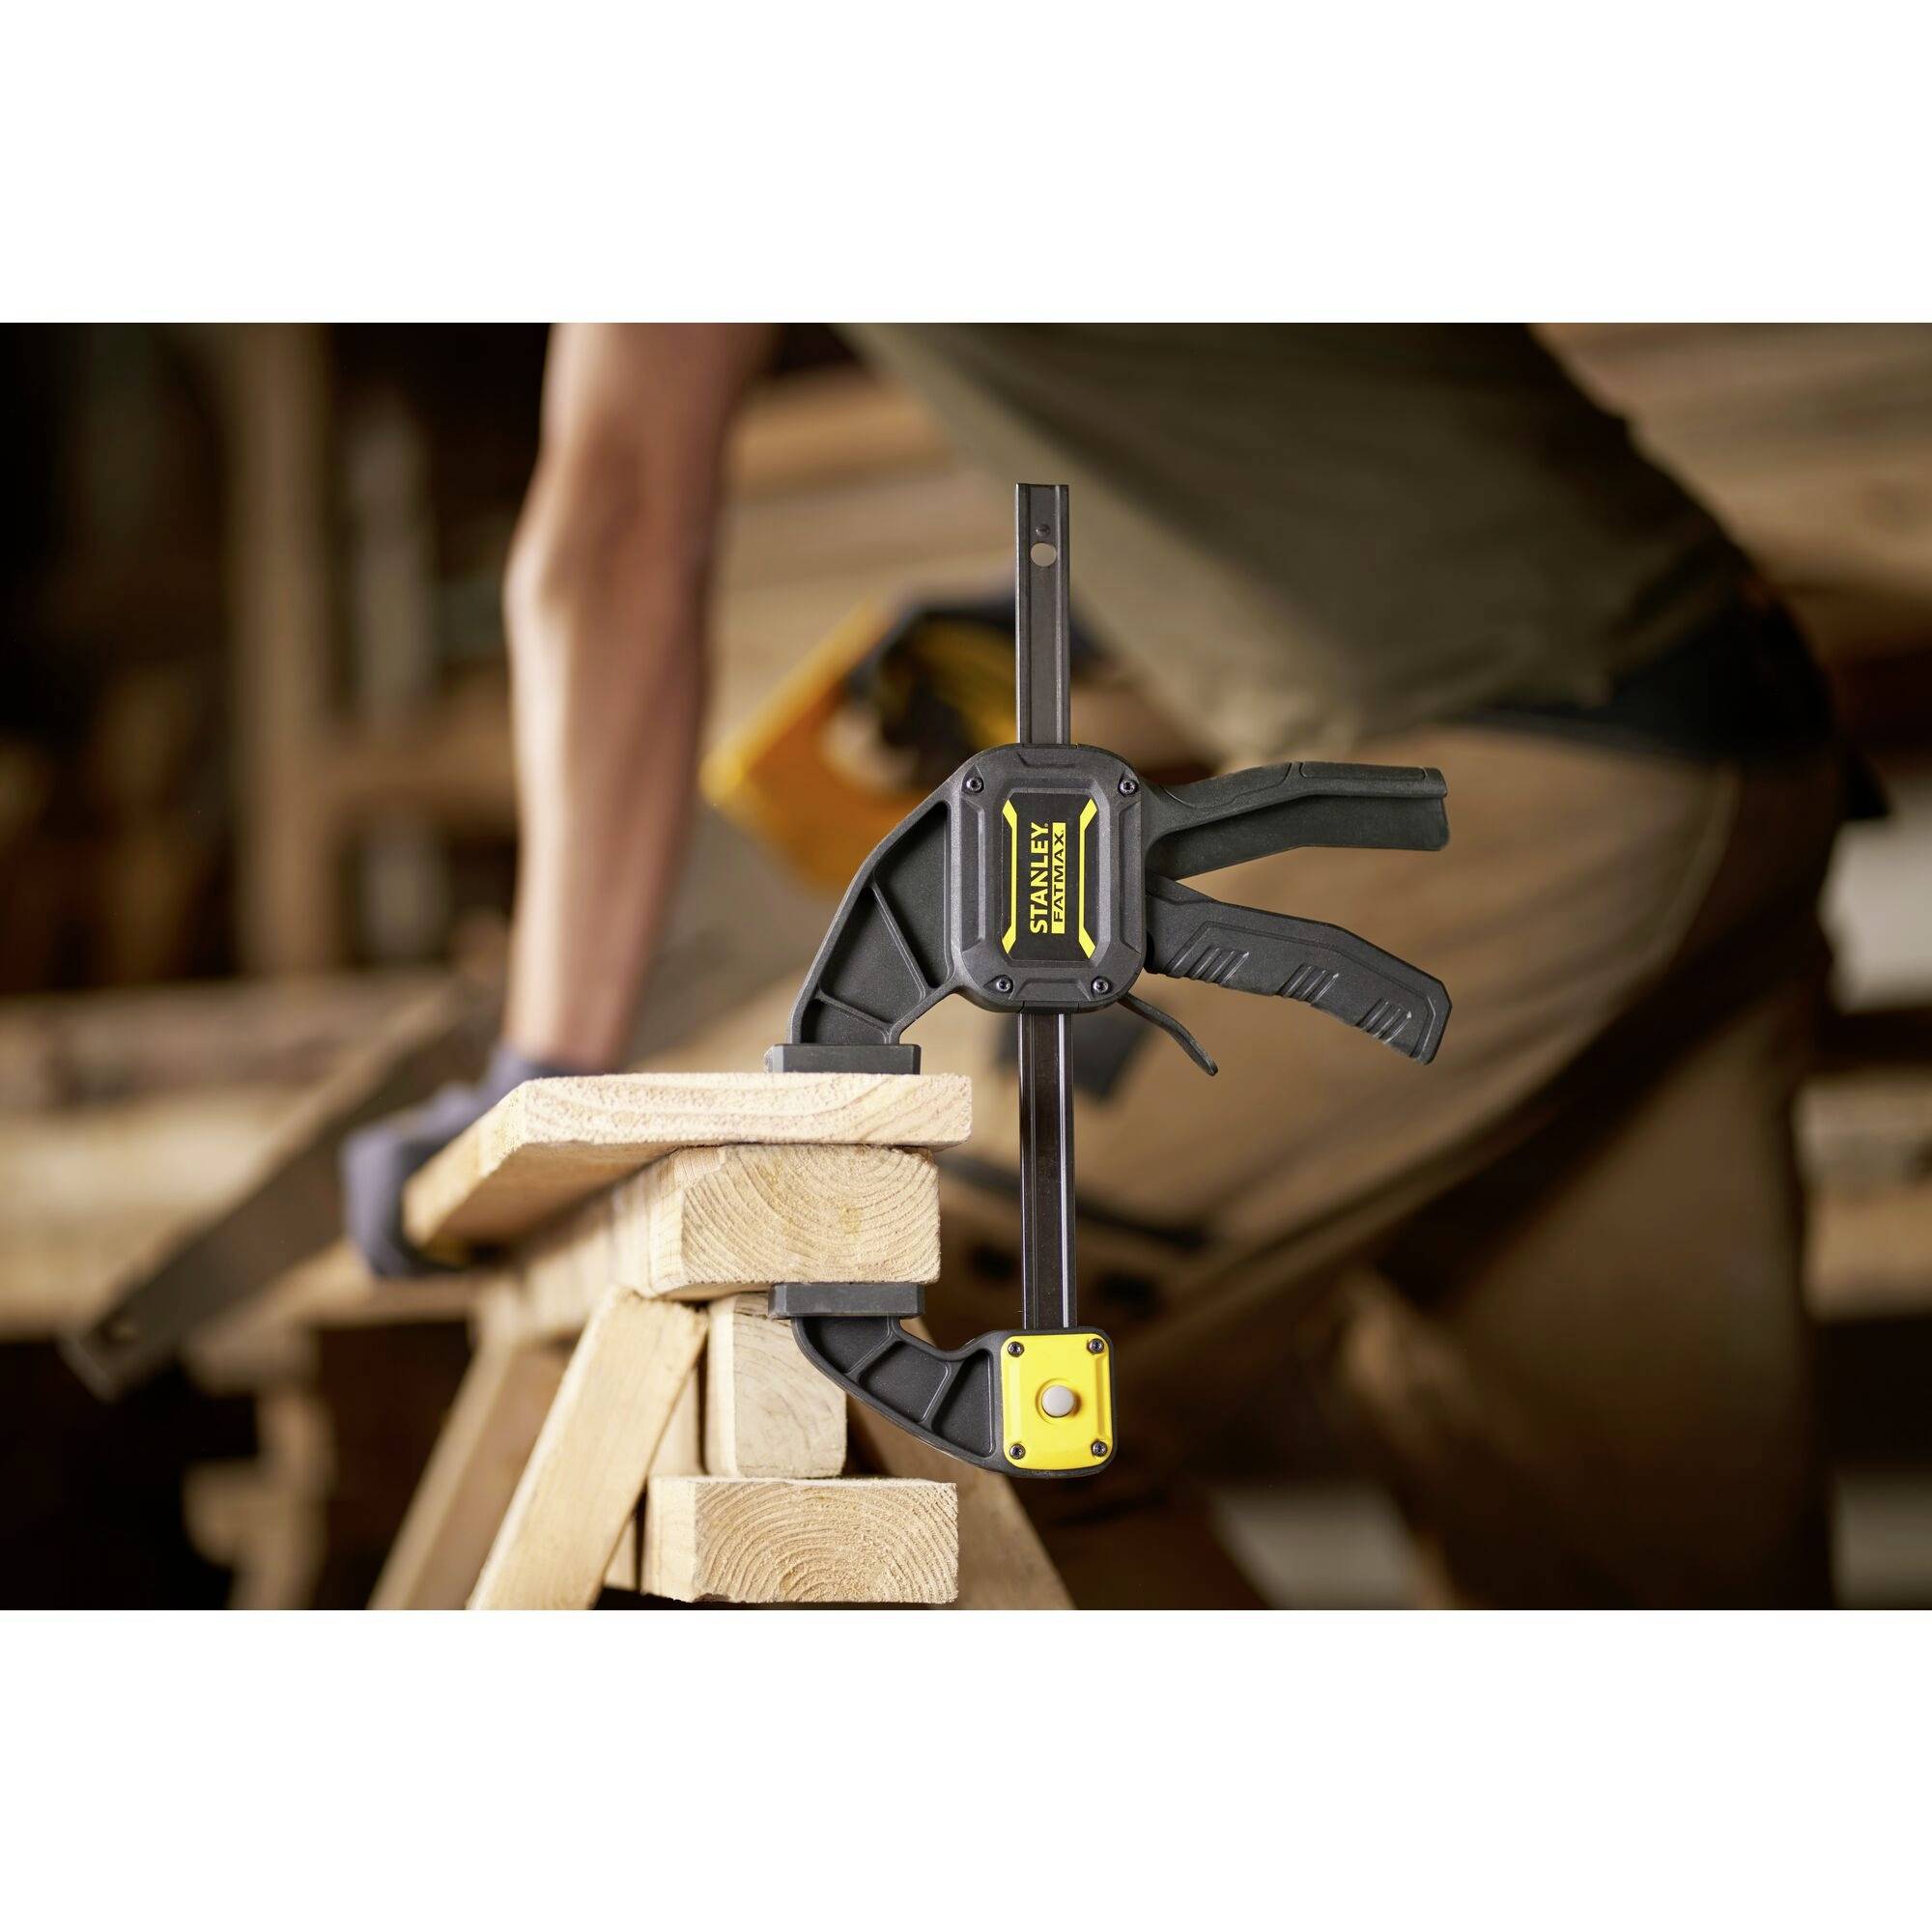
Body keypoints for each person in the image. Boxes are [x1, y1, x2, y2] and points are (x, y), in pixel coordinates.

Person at [345, 325, 1850, 1606]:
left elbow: (617, 512)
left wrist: (549, 1061)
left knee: (870, 1381)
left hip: (1530, 774)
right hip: (1720, 715)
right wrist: (1114, 611)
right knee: (1634, 1589)